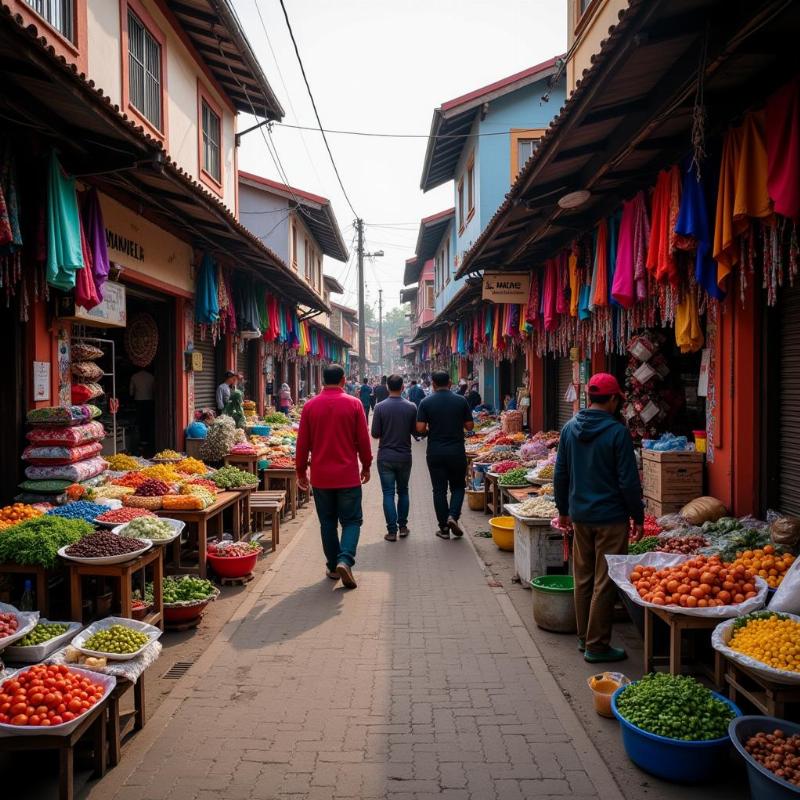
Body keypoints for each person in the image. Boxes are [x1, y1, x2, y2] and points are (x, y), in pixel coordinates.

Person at [554, 372, 644, 664]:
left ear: (590, 398)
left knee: (582, 578)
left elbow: (561, 473)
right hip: (611, 517)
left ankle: (584, 638)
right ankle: (597, 645)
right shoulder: (617, 432)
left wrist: (563, 510)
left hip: (580, 515)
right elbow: (628, 481)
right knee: (605, 581)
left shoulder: (569, 428)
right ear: (614, 399)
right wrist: (637, 515)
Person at [296, 364, 372, 588]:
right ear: (343, 380)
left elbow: (302, 444)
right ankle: (345, 559)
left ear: (322, 380)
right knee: (352, 520)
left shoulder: (310, 406)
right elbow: (363, 441)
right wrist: (366, 465)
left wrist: (301, 471)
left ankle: (332, 566)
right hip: (348, 476)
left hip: (321, 478)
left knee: (327, 523)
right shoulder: (354, 404)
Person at [416, 370, 474, 539]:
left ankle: (443, 529)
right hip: (456, 451)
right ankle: (453, 516)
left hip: (435, 452)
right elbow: (470, 426)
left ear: (433, 384)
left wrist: (431, 428)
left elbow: (420, 429)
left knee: (439, 490)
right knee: (458, 487)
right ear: (450, 383)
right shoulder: (461, 400)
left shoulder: (426, 402)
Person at [371, 374, 418, 542]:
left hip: (385, 457)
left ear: (388, 387)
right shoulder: (411, 407)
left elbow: (375, 433)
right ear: (403, 387)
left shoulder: (380, 408)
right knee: (403, 491)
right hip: (405, 456)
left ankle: (391, 531)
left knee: (388, 493)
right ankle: (403, 527)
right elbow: (417, 431)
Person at [130, 367, 155, 447]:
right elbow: (154, 390)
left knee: (140, 421)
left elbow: (131, 392)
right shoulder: (151, 376)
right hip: (149, 400)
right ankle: (149, 439)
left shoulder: (134, 376)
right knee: (149, 420)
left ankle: (142, 440)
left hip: (138, 400)